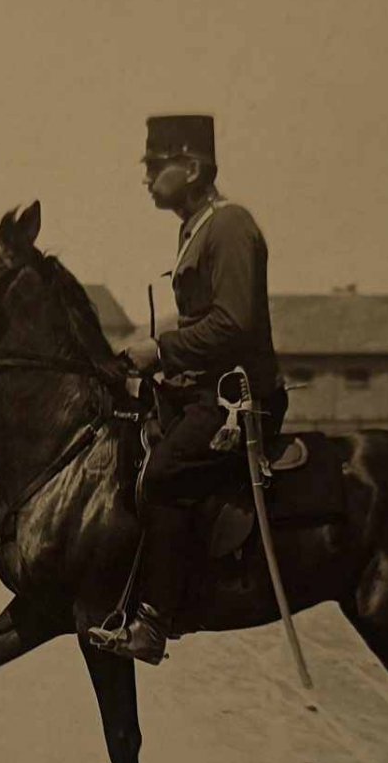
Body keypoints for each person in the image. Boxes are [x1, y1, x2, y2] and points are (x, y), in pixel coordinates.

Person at [110, 114, 286, 665]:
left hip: (238, 399)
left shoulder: (231, 226)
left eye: (155, 166)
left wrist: (161, 351)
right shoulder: (197, 228)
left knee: (163, 474)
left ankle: (154, 621)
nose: (146, 177)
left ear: (190, 168)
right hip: (206, 389)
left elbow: (234, 323)